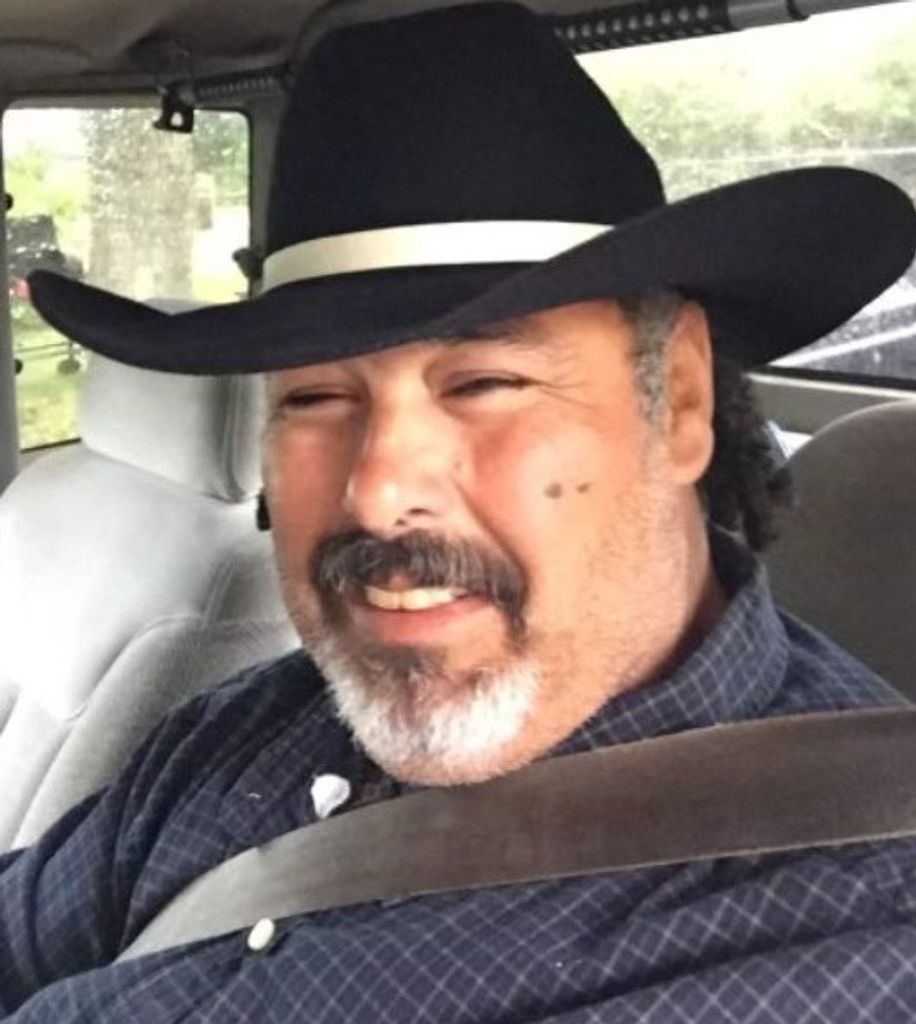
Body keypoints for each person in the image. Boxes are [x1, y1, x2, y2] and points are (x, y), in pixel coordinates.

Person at [4, 3, 916, 1020]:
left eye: (484, 383)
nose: (377, 490)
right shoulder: (246, 727)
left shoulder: (847, 952)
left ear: (683, 403)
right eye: (314, 398)